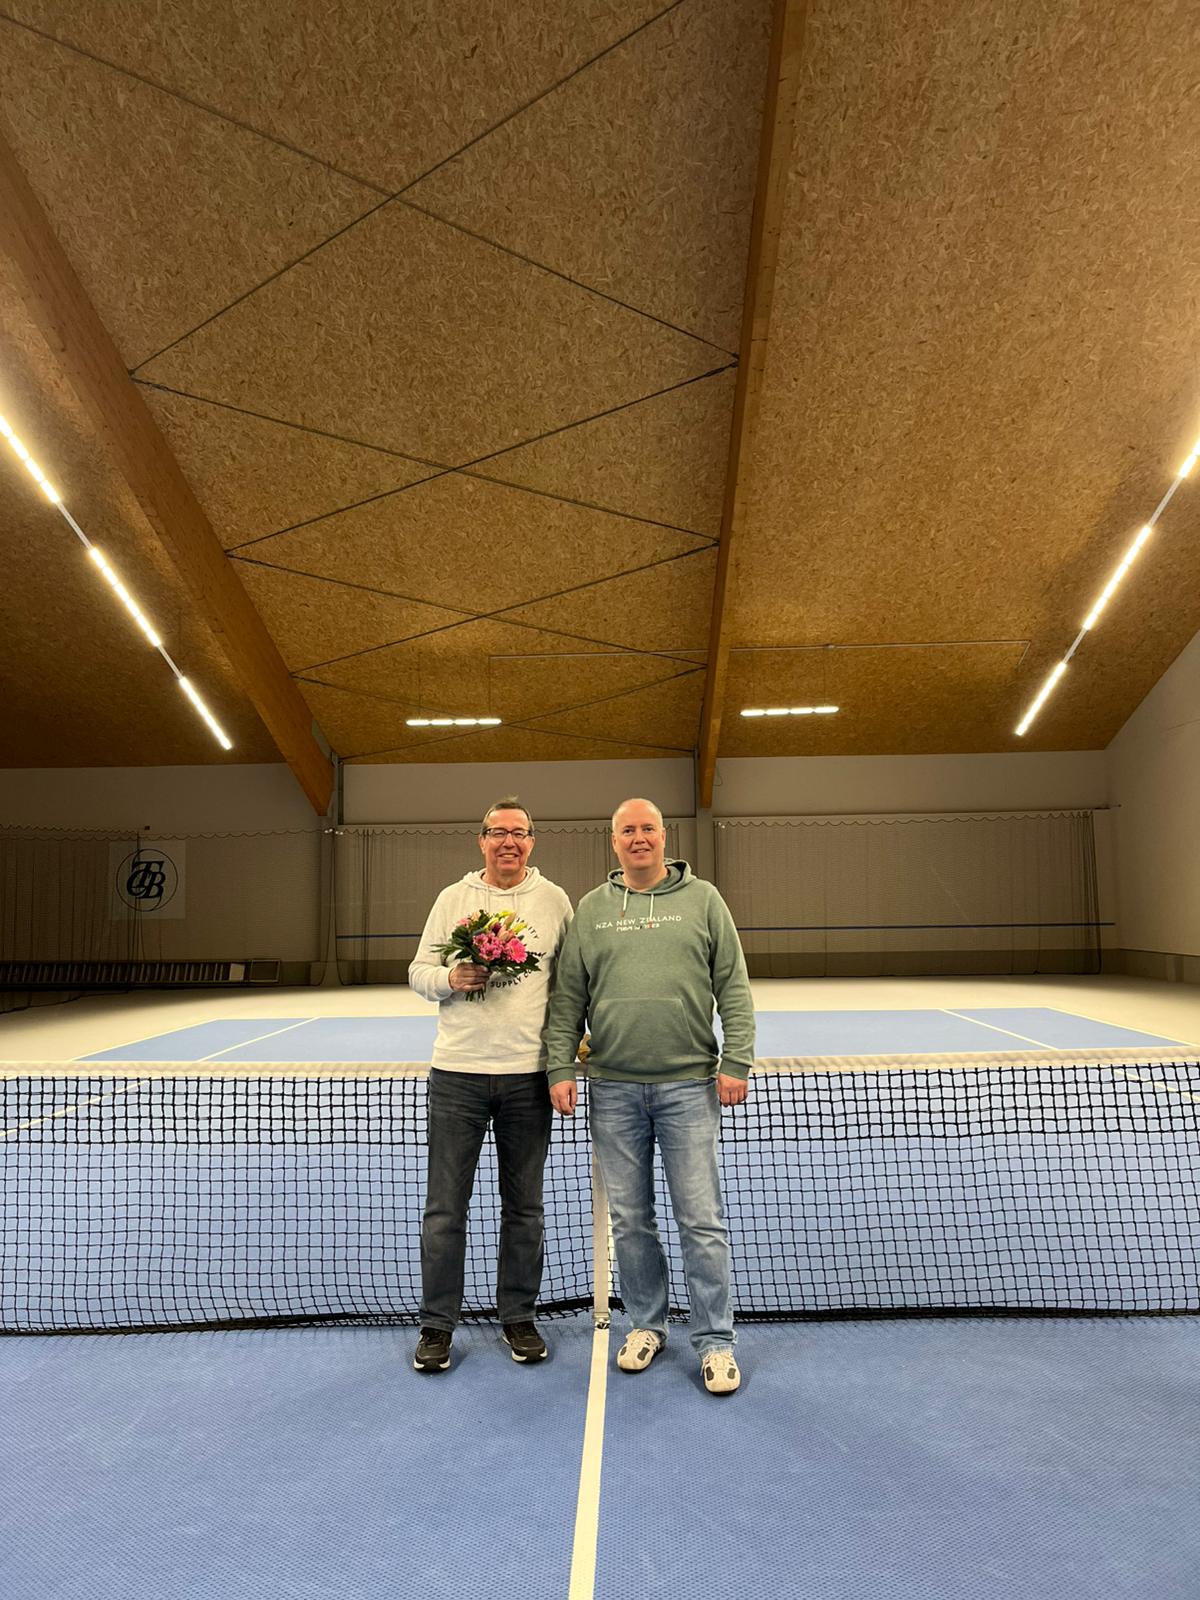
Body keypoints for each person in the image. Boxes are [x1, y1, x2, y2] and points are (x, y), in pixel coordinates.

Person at [544, 798, 754, 1395]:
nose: (639, 838)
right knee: (631, 1219)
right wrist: (560, 1065)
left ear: (664, 837)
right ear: (614, 842)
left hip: (689, 1086)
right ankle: (646, 1325)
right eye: (627, 830)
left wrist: (736, 1058)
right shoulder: (593, 908)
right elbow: (568, 998)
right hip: (612, 1089)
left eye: (648, 829)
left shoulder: (704, 900)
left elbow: (733, 986)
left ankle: (715, 1341)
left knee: (701, 1219)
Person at [407, 797, 572, 1373]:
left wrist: (565, 1058)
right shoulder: (452, 899)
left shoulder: (554, 901)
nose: (509, 841)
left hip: (528, 1078)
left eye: (519, 832)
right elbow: (418, 972)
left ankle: (518, 1317)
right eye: (498, 832)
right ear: (481, 841)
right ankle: (437, 1325)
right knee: (444, 1210)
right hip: (458, 1076)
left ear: (532, 841)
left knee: (524, 1208)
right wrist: (450, 977)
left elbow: (570, 983)